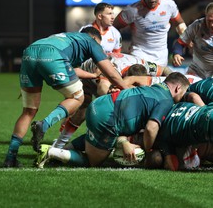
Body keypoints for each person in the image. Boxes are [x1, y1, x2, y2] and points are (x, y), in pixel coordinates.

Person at [3, 27, 131, 167]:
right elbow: (111, 73)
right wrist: (127, 91)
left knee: (29, 111)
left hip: (30, 52)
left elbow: (72, 69)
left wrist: (93, 75)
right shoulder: (91, 42)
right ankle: (44, 124)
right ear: (95, 39)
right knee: (77, 97)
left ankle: (10, 158)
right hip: (52, 55)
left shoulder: (67, 38)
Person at [35, 72, 190, 168]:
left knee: (95, 139)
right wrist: (148, 150)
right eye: (182, 94)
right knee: (92, 162)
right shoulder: (166, 100)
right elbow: (151, 128)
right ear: (177, 89)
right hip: (107, 118)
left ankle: (63, 148)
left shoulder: (154, 87)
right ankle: (52, 152)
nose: (181, 98)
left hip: (100, 103)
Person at [113, 0, 187, 67]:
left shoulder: (169, 5)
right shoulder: (131, 10)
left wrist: (187, 39)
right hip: (139, 54)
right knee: (140, 79)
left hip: (162, 56)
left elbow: (180, 24)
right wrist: (117, 47)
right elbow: (113, 28)